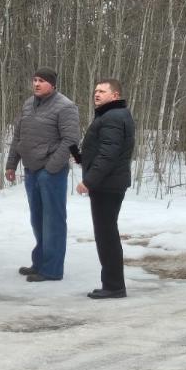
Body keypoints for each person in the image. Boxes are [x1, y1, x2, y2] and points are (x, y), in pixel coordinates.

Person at [5, 68, 81, 282]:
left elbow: (71, 141)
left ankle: (52, 270)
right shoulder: (29, 104)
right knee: (37, 219)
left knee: (53, 221)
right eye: (35, 80)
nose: (37, 84)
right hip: (31, 171)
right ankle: (39, 263)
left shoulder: (66, 107)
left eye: (42, 81)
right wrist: (12, 164)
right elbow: (18, 136)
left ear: (53, 85)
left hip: (51, 173)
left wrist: (50, 169)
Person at [76, 79, 135, 300]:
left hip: (107, 185)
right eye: (95, 91)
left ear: (115, 95)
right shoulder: (112, 115)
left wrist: (89, 181)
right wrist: (81, 157)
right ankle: (112, 284)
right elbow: (104, 150)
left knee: (106, 235)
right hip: (108, 182)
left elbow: (109, 155)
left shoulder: (113, 117)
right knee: (106, 233)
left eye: (102, 91)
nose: (97, 94)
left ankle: (114, 286)